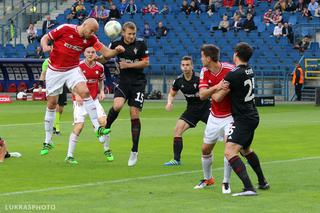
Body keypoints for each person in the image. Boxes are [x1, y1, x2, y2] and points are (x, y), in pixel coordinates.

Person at [39, 18, 125, 156]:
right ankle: (48, 140)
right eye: (91, 30)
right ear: (84, 25)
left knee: (85, 92)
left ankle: (98, 128)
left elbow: (106, 53)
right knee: (52, 104)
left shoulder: (91, 39)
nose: (92, 33)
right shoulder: (65, 28)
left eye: (94, 32)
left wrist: (116, 51)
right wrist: (45, 46)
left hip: (72, 69)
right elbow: (45, 37)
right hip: (54, 70)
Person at [214, 42, 270, 196]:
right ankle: (262, 182)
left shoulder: (233, 74)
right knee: (245, 150)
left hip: (243, 118)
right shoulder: (249, 70)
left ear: (236, 54)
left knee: (229, 152)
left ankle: (249, 188)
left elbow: (218, 97)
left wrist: (208, 92)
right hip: (252, 115)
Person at [98, 22, 149, 167]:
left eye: (134, 34)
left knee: (134, 114)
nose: (132, 36)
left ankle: (134, 151)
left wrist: (128, 65)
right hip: (123, 82)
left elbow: (145, 63)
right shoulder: (115, 44)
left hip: (138, 83)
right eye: (129, 34)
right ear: (123, 33)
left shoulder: (141, 44)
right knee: (118, 105)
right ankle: (105, 129)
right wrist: (96, 59)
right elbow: (105, 58)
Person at [193, 44, 234, 194]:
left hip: (230, 116)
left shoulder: (230, 70)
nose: (201, 59)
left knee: (228, 150)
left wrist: (212, 91)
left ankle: (226, 182)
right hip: (214, 116)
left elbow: (215, 97)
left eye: (202, 56)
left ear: (209, 58)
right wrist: (217, 86)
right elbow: (202, 95)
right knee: (205, 149)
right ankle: (208, 179)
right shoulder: (204, 71)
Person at [65, 47, 113, 164]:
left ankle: (107, 149)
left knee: (105, 123)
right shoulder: (78, 67)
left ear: (95, 54)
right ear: (84, 53)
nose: (91, 54)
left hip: (94, 100)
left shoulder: (100, 67)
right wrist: (77, 95)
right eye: (88, 52)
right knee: (79, 127)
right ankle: (69, 156)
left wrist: (101, 91)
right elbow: (70, 84)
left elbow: (101, 81)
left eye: (93, 52)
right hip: (80, 102)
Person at [164, 56, 211, 166]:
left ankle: (242, 152)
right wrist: (169, 102)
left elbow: (212, 89)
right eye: (183, 65)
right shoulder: (179, 80)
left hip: (206, 108)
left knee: (224, 132)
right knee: (177, 130)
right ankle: (176, 160)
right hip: (191, 110)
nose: (185, 67)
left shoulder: (200, 77)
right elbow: (171, 93)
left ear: (192, 66)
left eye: (187, 65)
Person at [39, 58, 68, 135]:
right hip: (52, 85)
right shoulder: (47, 61)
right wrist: (40, 85)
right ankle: (57, 129)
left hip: (62, 84)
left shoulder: (63, 59)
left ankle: (54, 126)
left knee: (61, 108)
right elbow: (43, 73)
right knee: (56, 106)